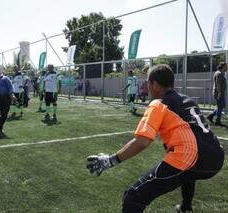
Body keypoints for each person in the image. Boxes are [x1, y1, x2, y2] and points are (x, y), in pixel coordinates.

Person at [86, 64, 224, 213]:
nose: (148, 87)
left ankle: (185, 207)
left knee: (133, 197)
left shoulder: (158, 104)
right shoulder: (188, 100)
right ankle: (186, 208)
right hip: (216, 158)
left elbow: (142, 141)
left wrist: (111, 160)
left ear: (155, 84)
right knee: (188, 171)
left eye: (148, 82)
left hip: (191, 157)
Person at [0, 67, 15, 136]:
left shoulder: (5, 78)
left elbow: (10, 87)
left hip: (6, 97)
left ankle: (0, 128)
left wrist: (12, 95)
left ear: (0, 71)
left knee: (4, 114)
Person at [207, 62, 227, 126]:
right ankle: (217, 121)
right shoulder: (219, 73)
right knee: (220, 107)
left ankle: (211, 116)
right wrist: (219, 93)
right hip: (218, 92)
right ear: (223, 66)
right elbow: (218, 84)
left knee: (221, 106)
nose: (227, 67)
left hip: (220, 92)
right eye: (226, 66)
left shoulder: (220, 73)